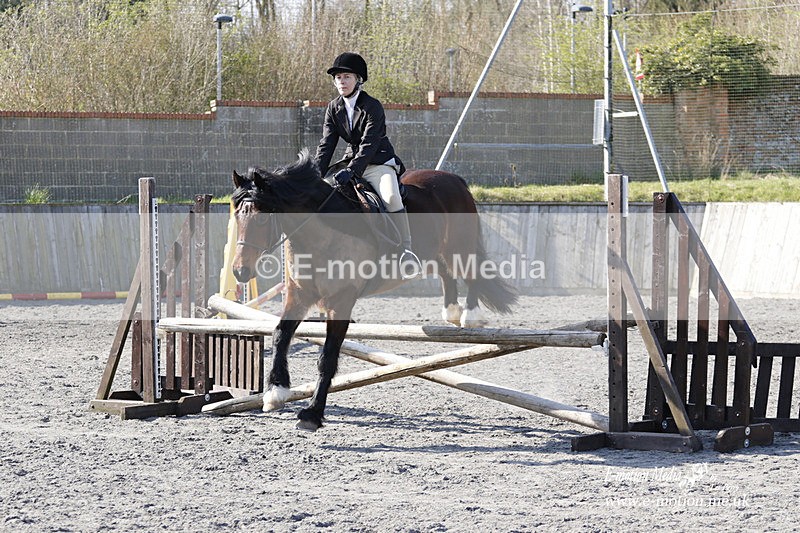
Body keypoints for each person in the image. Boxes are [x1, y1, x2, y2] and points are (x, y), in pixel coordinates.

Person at [315, 52, 421, 278]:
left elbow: (369, 144)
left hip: (378, 162)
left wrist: (353, 171)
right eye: (338, 78)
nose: (341, 82)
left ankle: (406, 251)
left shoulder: (373, 106)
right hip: (348, 163)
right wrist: (315, 174)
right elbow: (327, 144)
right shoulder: (333, 108)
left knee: (392, 197)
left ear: (358, 79)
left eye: (346, 77)